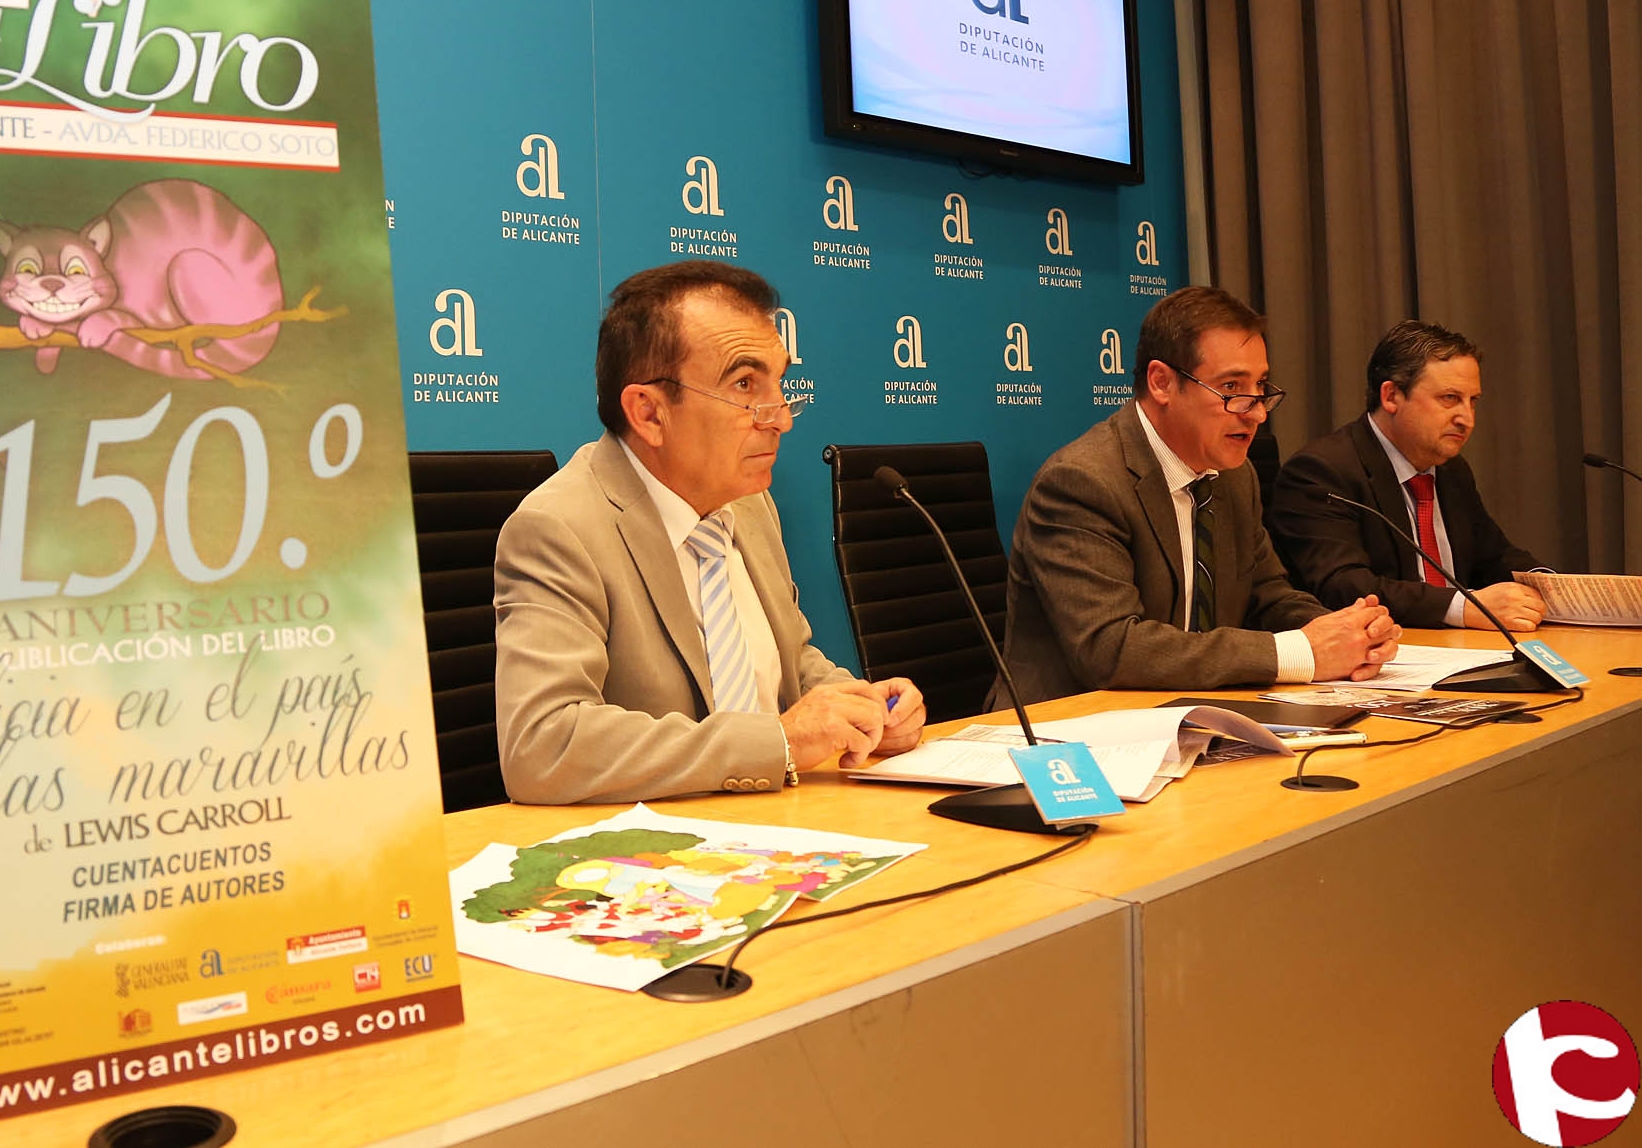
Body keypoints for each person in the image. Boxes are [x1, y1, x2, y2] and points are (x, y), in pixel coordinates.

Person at [494, 261, 925, 803]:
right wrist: (778, 742)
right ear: (649, 413)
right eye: (745, 385)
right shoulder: (559, 529)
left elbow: (787, 661)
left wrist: (860, 707)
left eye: (780, 383)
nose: (782, 418)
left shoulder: (749, 502)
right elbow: (542, 745)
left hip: (783, 823)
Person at [1001, 286, 1401, 705]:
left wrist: (1350, 635)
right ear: (1161, 383)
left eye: (1260, 386)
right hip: (1071, 725)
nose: (1257, 412)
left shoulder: (1234, 476)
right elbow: (1111, 648)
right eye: (1232, 387)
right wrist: (1301, 653)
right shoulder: (1082, 482)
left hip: (1193, 711)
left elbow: (1267, 596)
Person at [1270, 321, 1546, 631]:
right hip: (1384, 650)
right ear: (1391, 396)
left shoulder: (1451, 470)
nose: (1467, 419)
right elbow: (1343, 586)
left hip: (1462, 646)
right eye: (1450, 398)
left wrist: (1558, 590)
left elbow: (1495, 558)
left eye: (1473, 401)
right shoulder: (1322, 472)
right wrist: (1462, 607)